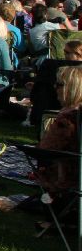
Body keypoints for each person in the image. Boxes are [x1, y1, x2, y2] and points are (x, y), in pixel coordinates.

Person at [37, 66, 82, 196]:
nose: (55, 88)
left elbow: (45, 149)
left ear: (73, 88)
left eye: (59, 85)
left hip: (70, 178)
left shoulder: (68, 119)